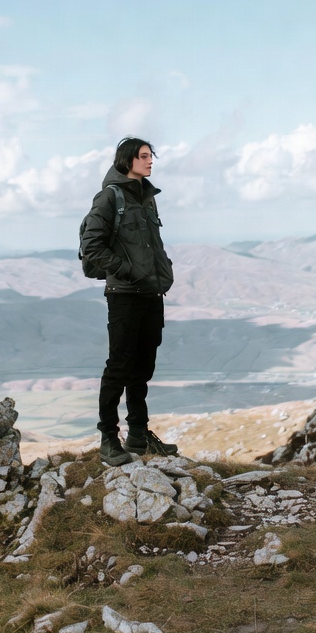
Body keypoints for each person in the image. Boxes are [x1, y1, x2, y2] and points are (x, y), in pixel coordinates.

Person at [80, 136, 179, 465]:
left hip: (151, 293)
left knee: (143, 367)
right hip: (123, 295)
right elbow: (92, 246)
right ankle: (109, 439)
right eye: (144, 156)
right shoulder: (110, 197)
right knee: (119, 367)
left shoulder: (147, 199)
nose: (150, 161)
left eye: (151, 156)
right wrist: (129, 271)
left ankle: (138, 434)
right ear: (127, 160)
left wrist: (162, 273)